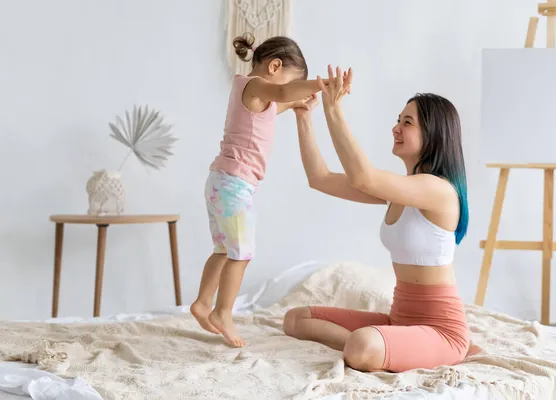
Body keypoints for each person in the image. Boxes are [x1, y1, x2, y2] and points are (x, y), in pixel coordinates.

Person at [284, 65, 472, 373]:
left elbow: (364, 178)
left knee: (362, 347)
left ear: (434, 134)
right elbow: (319, 178)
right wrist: (305, 116)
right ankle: (388, 344)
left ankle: (415, 348)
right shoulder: (402, 190)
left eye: (407, 122)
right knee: (296, 319)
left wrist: (334, 109)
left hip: (442, 329)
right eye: (398, 120)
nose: (396, 128)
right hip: (399, 319)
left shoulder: (438, 190)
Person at [191, 33, 330, 348]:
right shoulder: (254, 85)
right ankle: (222, 312)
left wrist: (297, 104)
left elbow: (275, 104)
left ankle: (202, 302)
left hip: (221, 182)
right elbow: (281, 91)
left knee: (223, 250)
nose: (286, 92)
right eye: (291, 82)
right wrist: (319, 85)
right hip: (234, 185)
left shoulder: (252, 96)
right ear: (275, 66)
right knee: (242, 253)